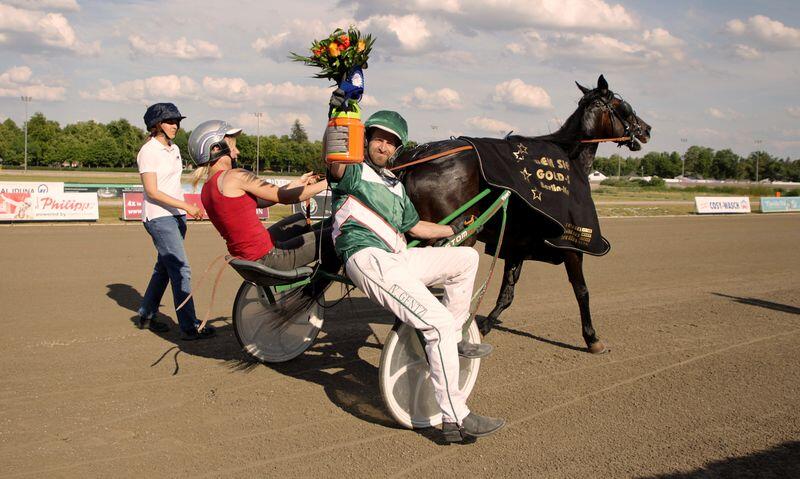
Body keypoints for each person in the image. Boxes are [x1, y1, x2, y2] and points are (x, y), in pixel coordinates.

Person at [327, 110, 505, 442]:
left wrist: (453, 228)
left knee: (466, 258)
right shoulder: (351, 171)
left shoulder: (395, 186)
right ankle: (455, 417)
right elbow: (335, 157)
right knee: (433, 321)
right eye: (378, 138)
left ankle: (451, 338)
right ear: (366, 139)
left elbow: (414, 227)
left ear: (397, 148)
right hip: (367, 257)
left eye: (391, 141)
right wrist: (339, 114)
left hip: (399, 257)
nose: (383, 145)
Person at [188, 120, 338, 276]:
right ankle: (314, 287)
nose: (237, 152)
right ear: (216, 148)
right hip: (269, 258)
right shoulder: (235, 176)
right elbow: (284, 198)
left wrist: (298, 183)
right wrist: (331, 181)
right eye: (233, 147)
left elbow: (272, 196)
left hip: (249, 258)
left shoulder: (207, 188)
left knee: (300, 221)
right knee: (339, 233)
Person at [136, 102, 213, 341]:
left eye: (177, 121)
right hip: (159, 217)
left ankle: (146, 315)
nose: (175, 126)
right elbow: (152, 191)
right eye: (170, 121)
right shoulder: (148, 152)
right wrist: (186, 206)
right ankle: (189, 326)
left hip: (176, 216)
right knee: (181, 268)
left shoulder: (175, 149)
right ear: (156, 124)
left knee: (164, 268)